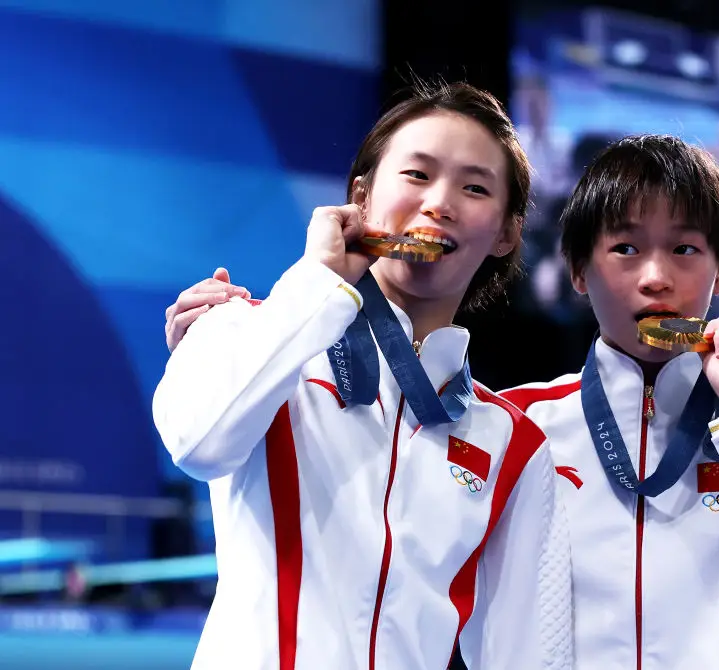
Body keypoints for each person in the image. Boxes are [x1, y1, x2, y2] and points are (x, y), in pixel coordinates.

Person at [167, 134, 719, 669]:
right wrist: (237, 339)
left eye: (687, 251)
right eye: (625, 249)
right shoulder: (515, 427)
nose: (657, 278)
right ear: (575, 272)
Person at [153, 80, 572, 670]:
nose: (440, 203)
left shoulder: (514, 446)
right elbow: (197, 443)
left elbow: (527, 656)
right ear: (361, 196)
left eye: (475, 187)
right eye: (417, 175)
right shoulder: (245, 332)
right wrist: (318, 281)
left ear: (506, 232)